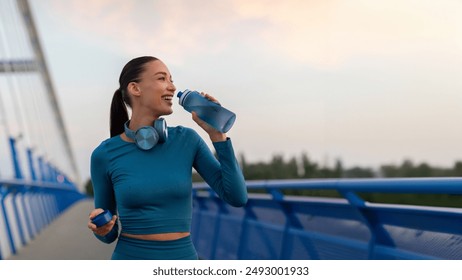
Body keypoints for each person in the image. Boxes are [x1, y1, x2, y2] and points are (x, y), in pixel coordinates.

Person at [87, 56, 248, 260]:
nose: (172, 87)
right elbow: (109, 235)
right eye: (162, 79)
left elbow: (237, 197)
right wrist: (101, 229)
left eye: (171, 80)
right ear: (135, 88)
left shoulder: (187, 140)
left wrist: (218, 136)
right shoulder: (104, 154)